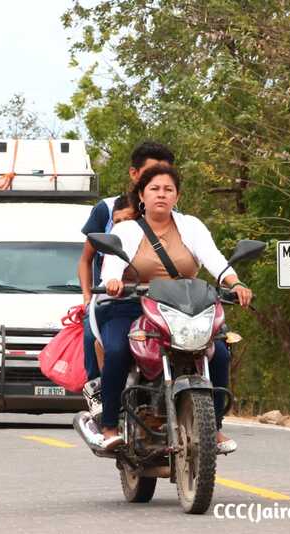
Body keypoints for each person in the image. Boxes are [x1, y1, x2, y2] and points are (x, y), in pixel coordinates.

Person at [97, 164, 253, 452]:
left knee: (218, 352)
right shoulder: (127, 229)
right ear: (141, 195)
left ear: (177, 196)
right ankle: (108, 426)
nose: (161, 195)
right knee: (118, 350)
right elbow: (112, 266)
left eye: (168, 189)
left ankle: (214, 426)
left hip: (185, 308)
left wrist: (236, 282)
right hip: (132, 305)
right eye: (155, 189)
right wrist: (113, 282)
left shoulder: (191, 226)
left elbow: (214, 259)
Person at [78, 142, 176, 381]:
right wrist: (88, 298)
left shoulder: (171, 212)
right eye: (151, 174)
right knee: (94, 336)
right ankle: (99, 395)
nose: (159, 181)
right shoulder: (107, 208)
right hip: (114, 296)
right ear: (134, 174)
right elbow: (86, 259)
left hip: (163, 299)